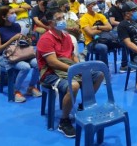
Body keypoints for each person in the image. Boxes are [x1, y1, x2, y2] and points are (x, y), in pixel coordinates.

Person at [37, 8, 103, 138]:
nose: (63, 21)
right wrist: (74, 70)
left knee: (99, 75)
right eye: (59, 18)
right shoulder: (46, 39)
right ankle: (64, 121)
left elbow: (73, 56)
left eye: (63, 17)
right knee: (74, 85)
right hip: (51, 73)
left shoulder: (67, 37)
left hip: (69, 67)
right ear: (50, 23)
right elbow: (53, 63)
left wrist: (79, 66)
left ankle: (84, 106)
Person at [0, 6, 41, 103]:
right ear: (3, 17)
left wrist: (26, 40)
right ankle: (15, 91)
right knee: (25, 67)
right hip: (6, 56)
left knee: (38, 63)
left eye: (14, 13)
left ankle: (31, 87)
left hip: (21, 53)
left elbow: (19, 42)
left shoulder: (17, 26)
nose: (14, 15)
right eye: (11, 13)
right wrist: (12, 39)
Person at [79, 0, 112, 66]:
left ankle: (124, 65)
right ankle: (105, 69)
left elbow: (109, 27)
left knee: (118, 42)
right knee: (103, 47)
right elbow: (90, 33)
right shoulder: (83, 19)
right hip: (91, 42)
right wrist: (102, 30)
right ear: (87, 6)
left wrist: (97, 27)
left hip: (103, 38)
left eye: (95, 4)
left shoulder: (100, 15)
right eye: (93, 4)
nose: (95, 6)